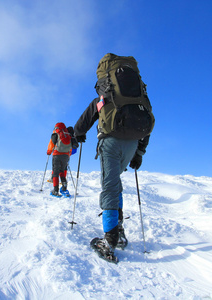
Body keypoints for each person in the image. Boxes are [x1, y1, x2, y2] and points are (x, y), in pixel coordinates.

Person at [74, 53, 152, 262]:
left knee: (109, 186)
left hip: (111, 141)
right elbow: (147, 123)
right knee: (115, 183)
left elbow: (85, 119)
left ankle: (110, 239)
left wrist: (79, 134)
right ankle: (119, 231)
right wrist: (139, 154)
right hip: (133, 143)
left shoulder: (104, 98)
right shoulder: (139, 98)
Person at [47, 122, 73, 197]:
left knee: (55, 172)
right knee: (62, 171)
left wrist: (49, 152)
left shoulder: (55, 134)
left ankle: (55, 190)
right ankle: (64, 188)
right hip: (65, 155)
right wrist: (68, 154)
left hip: (57, 155)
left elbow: (51, 145)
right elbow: (70, 146)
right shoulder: (68, 134)